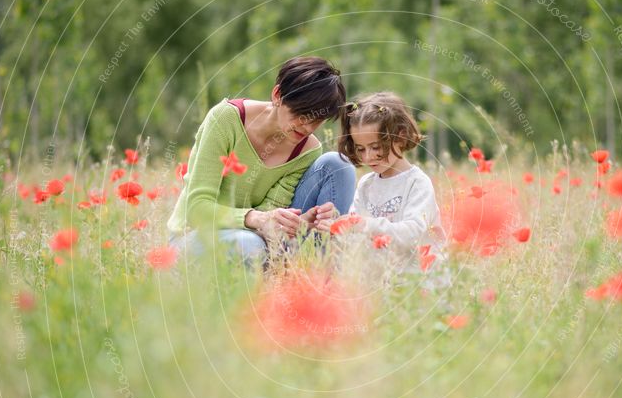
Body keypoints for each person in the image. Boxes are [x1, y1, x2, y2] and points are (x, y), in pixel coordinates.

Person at [167, 57, 356, 262]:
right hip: (197, 235)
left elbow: (272, 210)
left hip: (258, 238)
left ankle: (320, 273)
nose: (307, 128)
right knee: (248, 244)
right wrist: (257, 219)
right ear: (277, 95)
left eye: (316, 120)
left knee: (337, 165)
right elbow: (197, 209)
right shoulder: (226, 120)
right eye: (301, 114)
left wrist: (298, 222)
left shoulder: (307, 149)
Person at [319, 92, 444, 271]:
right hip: (381, 279)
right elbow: (358, 237)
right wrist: (338, 229)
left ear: (400, 137)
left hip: (417, 280)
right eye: (360, 149)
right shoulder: (366, 185)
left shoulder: (417, 183)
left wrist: (363, 225)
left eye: (376, 147)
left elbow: (412, 234)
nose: (368, 157)